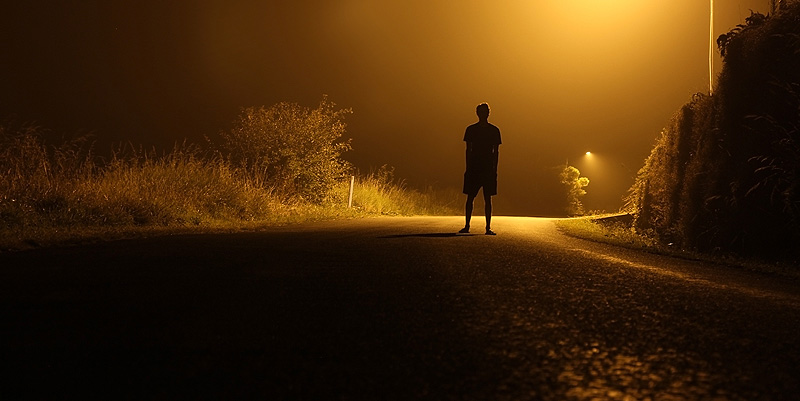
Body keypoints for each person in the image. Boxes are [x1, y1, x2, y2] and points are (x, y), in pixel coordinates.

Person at [460, 102, 501, 235]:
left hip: (488, 168)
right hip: (474, 167)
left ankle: (488, 227)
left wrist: (495, 169)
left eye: (485, 112)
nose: (483, 114)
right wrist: (468, 167)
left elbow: (496, 152)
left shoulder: (494, 130)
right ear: (478, 113)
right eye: (481, 112)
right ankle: (467, 225)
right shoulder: (471, 130)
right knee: (470, 197)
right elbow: (468, 150)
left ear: (488, 113)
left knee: (487, 198)